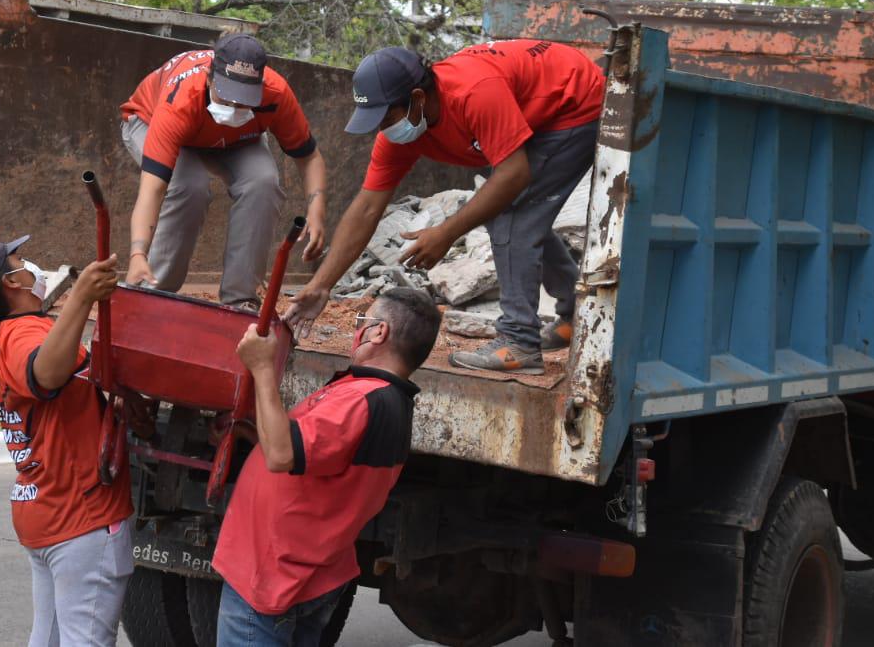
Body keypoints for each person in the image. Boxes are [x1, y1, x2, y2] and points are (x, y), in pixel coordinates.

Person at [285, 41, 605, 374]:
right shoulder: (401, 131)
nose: (381, 128)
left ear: (418, 98)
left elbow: (514, 174)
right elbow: (367, 207)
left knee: (511, 214)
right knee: (509, 211)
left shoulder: (474, 94)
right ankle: (574, 316)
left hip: (572, 100)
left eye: (385, 117)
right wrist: (320, 286)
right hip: (529, 107)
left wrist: (446, 232)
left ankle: (520, 342)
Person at [212, 288, 442, 646]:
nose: (356, 330)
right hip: (313, 575)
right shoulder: (384, 398)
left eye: (361, 322)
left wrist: (262, 368)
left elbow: (281, 455)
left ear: (378, 332)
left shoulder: (359, 400)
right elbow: (317, 459)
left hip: (274, 579)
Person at [0, 235, 135, 647]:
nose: (29, 265)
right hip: (80, 515)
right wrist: (82, 296)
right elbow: (46, 375)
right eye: (18, 260)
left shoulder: (12, 333)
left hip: (50, 512)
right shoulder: (22, 333)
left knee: (49, 637)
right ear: (11, 283)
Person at [120, 33, 327, 307]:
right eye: (227, 97)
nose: (233, 107)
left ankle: (240, 299)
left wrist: (317, 209)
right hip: (147, 121)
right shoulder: (180, 101)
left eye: (243, 101)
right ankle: (153, 291)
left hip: (234, 139)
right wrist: (137, 254)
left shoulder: (275, 94)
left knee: (262, 182)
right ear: (209, 78)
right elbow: (152, 190)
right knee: (188, 186)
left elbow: (309, 156)